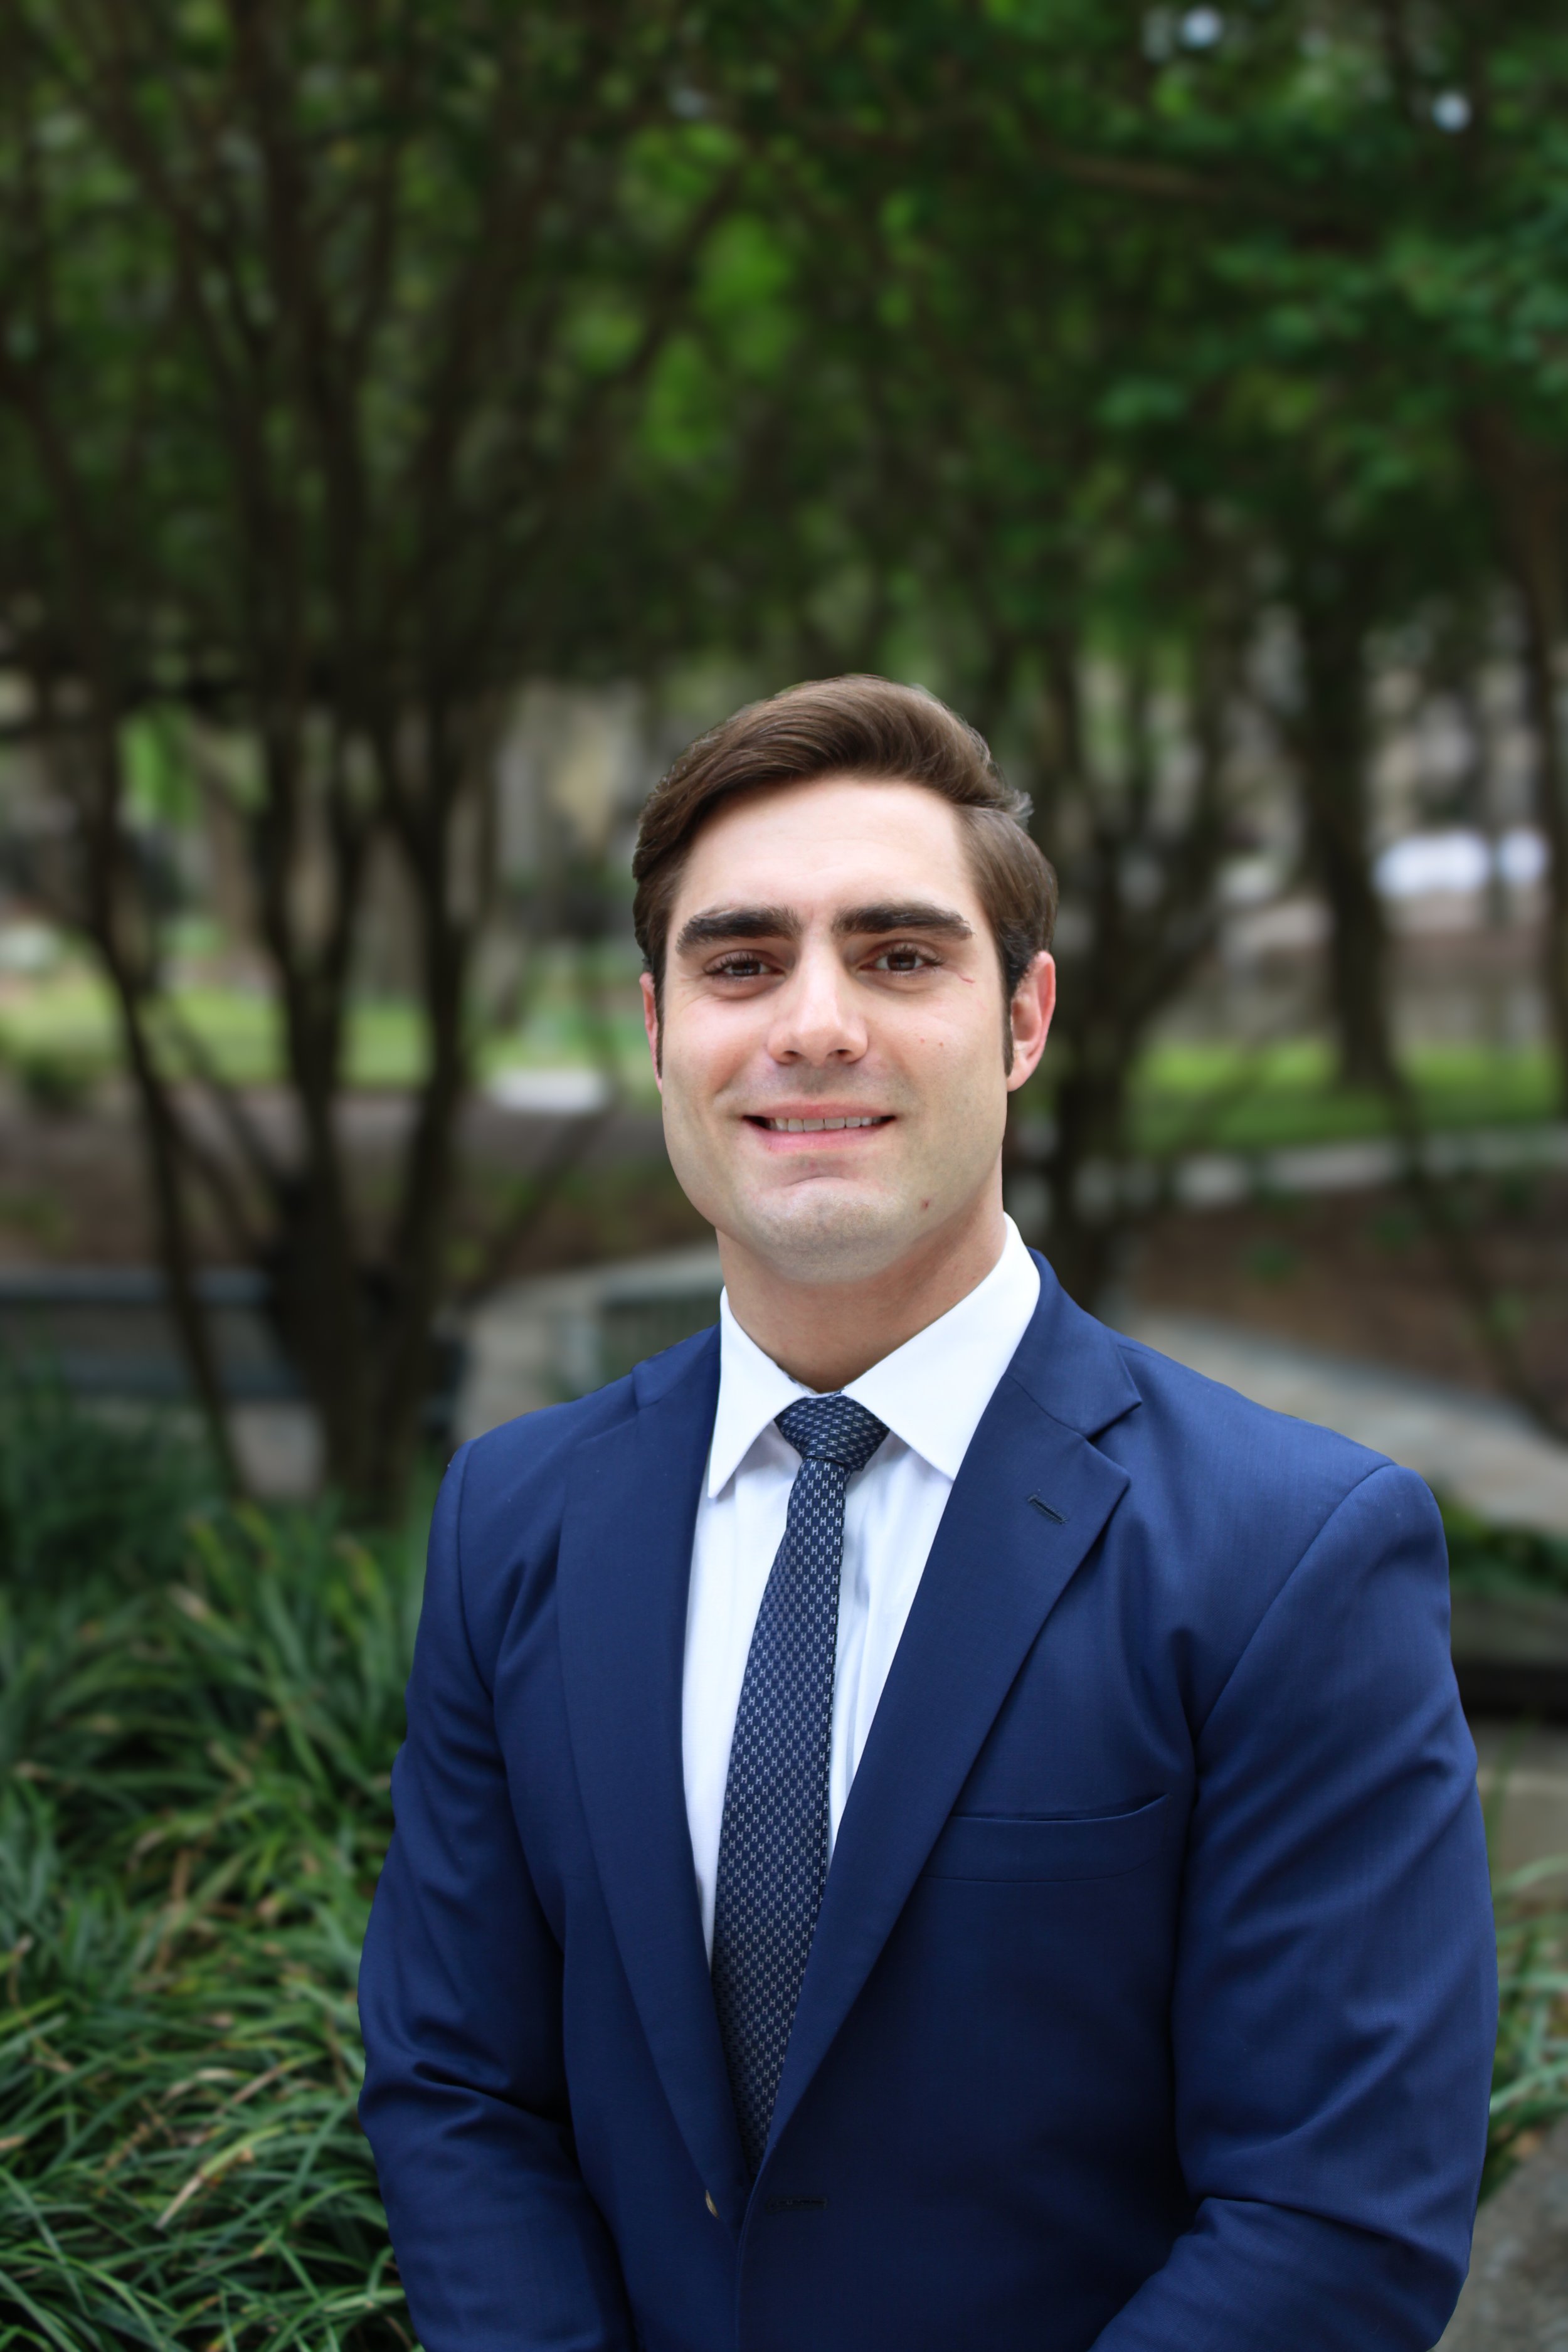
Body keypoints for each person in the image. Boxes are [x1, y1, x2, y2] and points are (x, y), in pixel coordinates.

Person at [359, 675, 1496, 2352]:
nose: (812, 1024)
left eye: (899, 957)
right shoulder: (517, 1516)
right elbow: (457, 2086)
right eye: (740, 962)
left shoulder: (1288, 1557)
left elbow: (1330, 2220)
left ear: (1024, 1021)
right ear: (657, 1028)